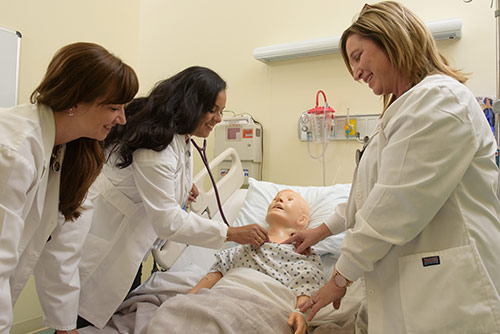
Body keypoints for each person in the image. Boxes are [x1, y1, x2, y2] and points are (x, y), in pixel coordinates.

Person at [284, 2, 500, 333]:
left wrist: (340, 277)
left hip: (451, 292)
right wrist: (320, 230)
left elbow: (395, 206)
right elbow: (369, 197)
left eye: (357, 57)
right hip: (408, 290)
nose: (355, 73)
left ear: (392, 39)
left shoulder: (440, 100)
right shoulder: (404, 110)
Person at [70, 66, 269, 329]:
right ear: (191, 105)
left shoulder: (178, 136)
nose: (219, 118)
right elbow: (169, 221)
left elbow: (157, 183)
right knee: (82, 322)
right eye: (213, 110)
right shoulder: (156, 145)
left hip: (130, 246)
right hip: (105, 248)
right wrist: (231, 233)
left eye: (222, 111)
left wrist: (181, 187)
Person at [0, 42, 138, 334]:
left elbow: (62, 250)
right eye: (114, 107)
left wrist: (65, 327)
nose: (122, 119)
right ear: (74, 102)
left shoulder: (71, 152)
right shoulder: (13, 151)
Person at [143, 189, 325, 334]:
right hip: (223, 297)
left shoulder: (303, 254)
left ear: (302, 220)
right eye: (276, 198)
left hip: (265, 308)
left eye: (289, 199)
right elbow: (215, 273)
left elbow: (307, 285)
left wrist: (300, 313)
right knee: (171, 317)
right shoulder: (244, 246)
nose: (278, 200)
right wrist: (187, 300)